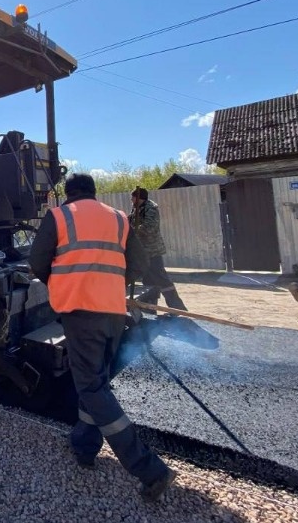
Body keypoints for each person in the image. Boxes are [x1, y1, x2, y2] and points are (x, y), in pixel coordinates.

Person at [28, 173, 176, 502]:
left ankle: (150, 469)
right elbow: (139, 264)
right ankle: (84, 447)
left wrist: (62, 283)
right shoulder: (119, 218)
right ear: (94, 193)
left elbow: (37, 262)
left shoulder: (60, 216)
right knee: (96, 381)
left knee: (92, 388)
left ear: (69, 194)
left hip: (81, 313)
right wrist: (109, 282)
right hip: (112, 314)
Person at [129, 186, 187, 315]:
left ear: (138, 198)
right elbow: (131, 221)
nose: (131, 200)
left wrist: (133, 231)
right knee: (148, 281)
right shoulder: (137, 208)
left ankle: (177, 308)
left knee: (162, 279)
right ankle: (149, 309)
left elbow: (150, 227)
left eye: (132, 197)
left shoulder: (151, 209)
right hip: (143, 251)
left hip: (152, 250)